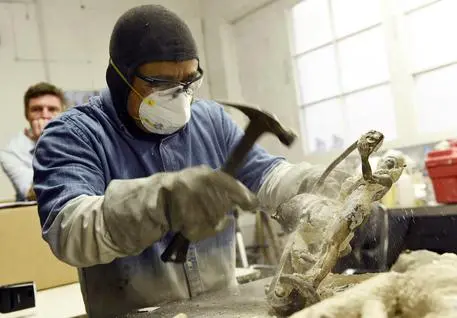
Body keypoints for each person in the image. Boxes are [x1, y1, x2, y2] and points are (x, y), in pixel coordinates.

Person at [32, 5, 342, 317]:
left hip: (220, 311)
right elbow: (69, 230)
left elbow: (268, 177)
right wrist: (159, 201)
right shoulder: (73, 134)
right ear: (121, 77)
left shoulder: (210, 120)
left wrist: (324, 183)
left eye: (189, 82)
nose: (179, 96)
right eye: (161, 84)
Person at [0, 82, 65, 201]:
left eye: (52, 109)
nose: (45, 115)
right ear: (27, 114)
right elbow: (35, 194)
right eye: (36, 109)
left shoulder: (75, 138)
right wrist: (47, 143)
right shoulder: (10, 152)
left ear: (62, 113)